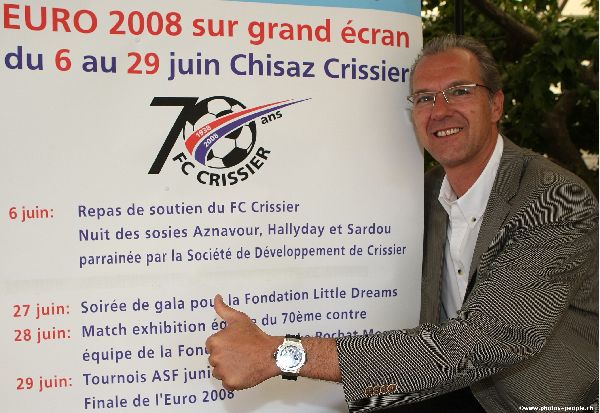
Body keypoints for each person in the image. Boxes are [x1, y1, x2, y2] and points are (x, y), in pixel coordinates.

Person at [205, 34, 598, 413]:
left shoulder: (555, 198)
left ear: (496, 104)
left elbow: (487, 339)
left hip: (539, 400)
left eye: (459, 91)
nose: (440, 110)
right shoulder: (425, 196)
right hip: (453, 385)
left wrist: (280, 354)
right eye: (425, 98)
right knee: (364, 405)